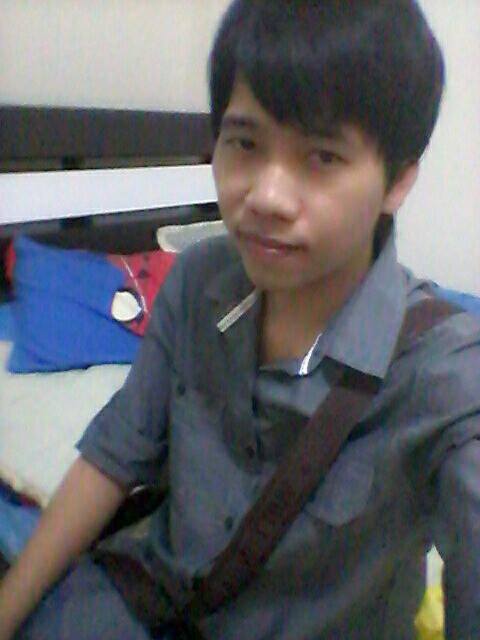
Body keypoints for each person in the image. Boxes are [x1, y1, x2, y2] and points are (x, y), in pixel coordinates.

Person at [1, 1, 479, 638]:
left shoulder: (447, 376)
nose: (266, 196)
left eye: (322, 156)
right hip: (141, 602)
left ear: (397, 182)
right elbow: (113, 457)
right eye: (245, 144)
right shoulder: (196, 282)